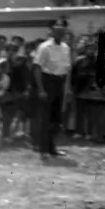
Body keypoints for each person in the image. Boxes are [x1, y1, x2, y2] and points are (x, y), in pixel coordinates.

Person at [33, 17, 73, 162]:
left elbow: (67, 69)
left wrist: (67, 88)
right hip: (48, 80)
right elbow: (37, 68)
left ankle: (52, 148)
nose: (60, 33)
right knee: (45, 117)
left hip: (60, 82)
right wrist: (41, 89)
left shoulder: (66, 47)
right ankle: (43, 150)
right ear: (51, 31)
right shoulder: (44, 47)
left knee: (56, 117)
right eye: (57, 30)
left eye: (62, 30)